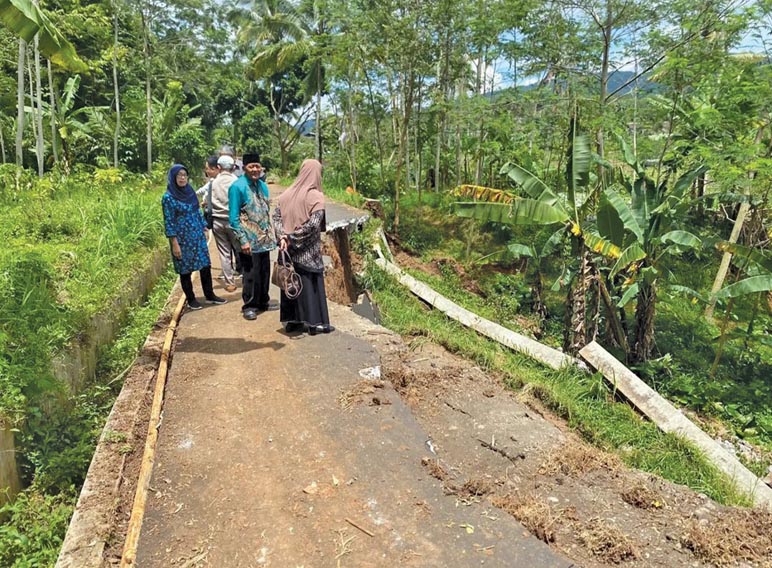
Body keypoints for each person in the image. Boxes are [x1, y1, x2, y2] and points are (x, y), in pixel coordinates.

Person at [273, 159, 334, 335]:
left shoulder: (285, 195)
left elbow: (276, 218)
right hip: (308, 252)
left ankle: (293, 322)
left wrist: (283, 237)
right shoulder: (315, 196)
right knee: (310, 286)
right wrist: (293, 237)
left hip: (288, 251)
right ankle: (313, 323)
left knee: (290, 282)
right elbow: (314, 225)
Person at [162, 164, 227, 310]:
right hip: (182, 239)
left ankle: (210, 295)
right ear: (173, 177)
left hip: (197, 235)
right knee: (185, 269)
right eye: (179, 175)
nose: (182, 178)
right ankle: (191, 299)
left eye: (184, 175)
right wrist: (174, 243)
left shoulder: (190, 192)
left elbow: (197, 211)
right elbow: (169, 221)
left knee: (205, 265)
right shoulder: (168, 197)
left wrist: (204, 227)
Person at [228, 152, 277, 320]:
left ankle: (263, 301)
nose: (255, 169)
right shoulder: (237, 187)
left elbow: (265, 210)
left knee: (264, 271)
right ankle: (249, 305)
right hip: (248, 240)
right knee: (250, 274)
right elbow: (233, 217)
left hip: (264, 238)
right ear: (244, 168)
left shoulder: (262, 186)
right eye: (251, 166)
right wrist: (243, 240)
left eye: (258, 166)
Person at [208, 155, 241, 292]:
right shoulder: (237, 182)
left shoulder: (213, 183)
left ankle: (229, 282)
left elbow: (209, 204)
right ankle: (245, 276)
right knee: (240, 250)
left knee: (224, 253)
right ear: (233, 167)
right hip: (234, 221)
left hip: (218, 221)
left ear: (219, 167)